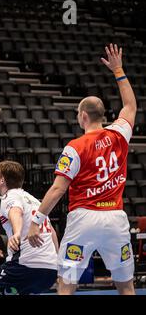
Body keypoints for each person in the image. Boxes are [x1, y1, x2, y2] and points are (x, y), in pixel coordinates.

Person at [26, 44, 137, 295]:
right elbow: (130, 106)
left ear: (83, 116)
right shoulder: (120, 133)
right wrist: (118, 69)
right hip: (115, 218)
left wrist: (36, 221)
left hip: (84, 218)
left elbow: (57, 189)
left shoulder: (74, 147)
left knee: (66, 284)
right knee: (126, 285)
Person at [0, 161, 58, 295]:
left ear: (2, 179)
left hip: (25, 265)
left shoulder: (10, 196)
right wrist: (57, 258)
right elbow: (51, 231)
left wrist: (16, 233)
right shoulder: (35, 200)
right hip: (49, 270)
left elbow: (15, 211)